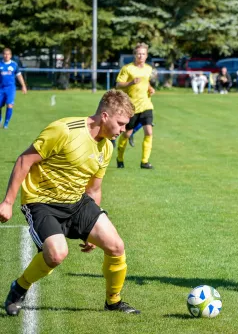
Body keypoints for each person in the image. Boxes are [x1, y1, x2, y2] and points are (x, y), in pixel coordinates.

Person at [0, 90, 140, 315]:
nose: (123, 129)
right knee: (56, 254)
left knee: (116, 246)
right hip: (42, 202)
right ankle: (19, 287)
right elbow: (25, 160)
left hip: (77, 202)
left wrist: (91, 230)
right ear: (105, 116)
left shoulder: (106, 146)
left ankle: (113, 302)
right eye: (121, 123)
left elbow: (94, 189)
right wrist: (7, 202)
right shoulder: (64, 130)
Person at [115, 43, 156, 169]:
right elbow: (118, 85)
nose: (141, 56)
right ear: (134, 55)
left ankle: (144, 162)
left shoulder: (148, 69)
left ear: (146, 55)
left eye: (143, 54)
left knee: (149, 131)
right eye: (138, 54)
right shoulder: (127, 68)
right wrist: (131, 82)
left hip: (146, 105)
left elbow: (146, 82)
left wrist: (150, 88)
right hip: (131, 106)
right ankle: (120, 158)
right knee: (127, 134)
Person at [0, 48, 28, 129]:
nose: (6, 56)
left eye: (8, 54)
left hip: (10, 88)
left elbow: (19, 75)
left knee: (10, 104)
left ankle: (6, 123)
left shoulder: (14, 65)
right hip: (1, 88)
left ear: (10, 55)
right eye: (5, 54)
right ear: (3, 55)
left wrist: (23, 85)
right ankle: (0, 119)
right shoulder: (0, 64)